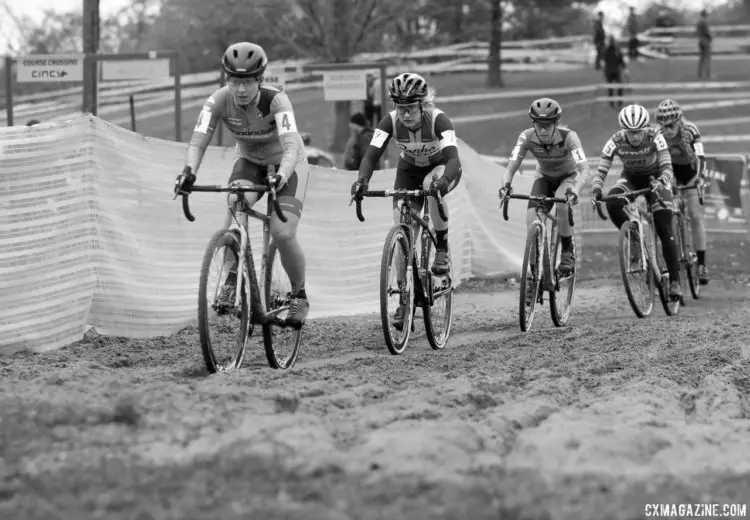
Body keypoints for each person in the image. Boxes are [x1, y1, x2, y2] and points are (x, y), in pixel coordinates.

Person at [173, 42, 310, 329]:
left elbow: (290, 148)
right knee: (236, 202)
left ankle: (299, 294)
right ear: (227, 80)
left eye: (248, 81)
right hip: (249, 161)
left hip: (288, 164)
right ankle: (232, 277)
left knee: (282, 233)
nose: (241, 89)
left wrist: (281, 175)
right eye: (235, 81)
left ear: (260, 79)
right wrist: (188, 172)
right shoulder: (218, 100)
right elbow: (198, 141)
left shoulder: (277, 101)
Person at [351, 72, 462, 330]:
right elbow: (370, 156)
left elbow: (454, 159)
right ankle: (404, 298)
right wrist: (362, 180)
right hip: (408, 170)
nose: (406, 115)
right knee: (402, 232)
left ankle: (442, 248)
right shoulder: (389, 122)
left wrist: (443, 182)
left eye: (411, 108)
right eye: (401, 109)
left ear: (422, 105)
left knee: (430, 186)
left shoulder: (439, 120)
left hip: (441, 167)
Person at [591, 104, 683, 300]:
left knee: (664, 227)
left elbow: (667, 166)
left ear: (645, 128)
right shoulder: (614, 141)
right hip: (631, 179)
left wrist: (662, 181)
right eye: (630, 132)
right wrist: (596, 188)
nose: (634, 136)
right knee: (613, 202)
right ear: (623, 130)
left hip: (655, 179)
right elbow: (601, 170)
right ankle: (634, 237)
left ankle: (675, 281)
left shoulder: (655, 136)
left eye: (638, 132)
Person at [498, 98, 590, 284]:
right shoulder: (526, 137)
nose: (542, 130)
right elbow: (511, 166)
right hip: (544, 178)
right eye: (539, 125)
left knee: (562, 202)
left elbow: (585, 170)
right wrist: (506, 185)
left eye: (547, 125)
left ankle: (567, 252)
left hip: (568, 177)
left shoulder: (569, 137)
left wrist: (576, 190)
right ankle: (534, 272)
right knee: (531, 217)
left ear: (556, 124)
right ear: (533, 123)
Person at [655, 98, 709, 284]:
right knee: (669, 216)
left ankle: (702, 264)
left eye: (670, 125)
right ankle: (674, 260)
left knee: (695, 215)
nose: (666, 130)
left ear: (678, 121)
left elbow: (701, 157)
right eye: (662, 126)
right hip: (672, 174)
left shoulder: (690, 130)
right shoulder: (658, 134)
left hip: (691, 173)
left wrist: (698, 179)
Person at [603, 35, 627, 110]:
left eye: (611, 41)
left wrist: (625, 68)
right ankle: (612, 104)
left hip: (616, 71)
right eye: (610, 41)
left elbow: (621, 60)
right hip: (609, 71)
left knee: (620, 87)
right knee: (610, 89)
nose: (610, 42)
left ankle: (619, 104)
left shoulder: (617, 50)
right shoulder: (606, 50)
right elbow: (604, 60)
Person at [696, 9, 712, 80]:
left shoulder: (698, 22)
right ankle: (708, 74)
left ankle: (699, 74)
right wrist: (710, 38)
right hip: (705, 40)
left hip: (700, 40)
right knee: (707, 58)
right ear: (705, 15)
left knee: (702, 58)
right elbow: (706, 32)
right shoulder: (704, 22)